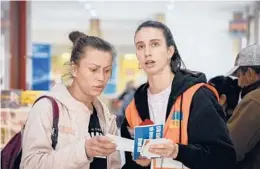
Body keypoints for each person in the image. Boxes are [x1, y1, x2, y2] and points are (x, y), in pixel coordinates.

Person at [121, 20, 236, 169]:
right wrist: (142, 164)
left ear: (170, 51)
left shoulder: (197, 96)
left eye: (154, 44)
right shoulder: (134, 108)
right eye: (140, 46)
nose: (147, 52)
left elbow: (224, 158)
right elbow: (131, 163)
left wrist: (178, 151)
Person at [20, 31, 121, 169]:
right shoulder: (46, 108)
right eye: (93, 69)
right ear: (74, 69)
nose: (101, 78)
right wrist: (83, 151)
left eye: (107, 70)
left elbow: (113, 165)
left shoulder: (106, 116)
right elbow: (30, 164)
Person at [227, 44, 260, 169]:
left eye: (239, 75)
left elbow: (230, 149)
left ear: (250, 73)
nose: (238, 83)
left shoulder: (254, 100)